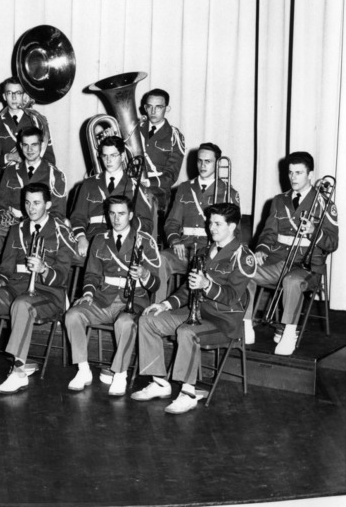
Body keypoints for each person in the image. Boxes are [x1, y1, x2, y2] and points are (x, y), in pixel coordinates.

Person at [131, 202, 255, 414]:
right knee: (148, 320)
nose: (211, 228)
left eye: (217, 224)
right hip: (196, 312)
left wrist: (207, 285)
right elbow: (189, 288)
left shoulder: (243, 257)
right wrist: (165, 304)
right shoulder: (206, 250)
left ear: (233, 226)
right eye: (210, 223)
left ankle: (188, 393)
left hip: (223, 321)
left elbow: (233, 297)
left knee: (187, 331)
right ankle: (160, 382)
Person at [0, 183, 80, 390]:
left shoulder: (60, 231)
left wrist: (44, 269)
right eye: (27, 203)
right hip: (15, 288)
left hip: (49, 294)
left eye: (37, 203)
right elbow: (6, 266)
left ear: (48, 204)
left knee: (22, 304)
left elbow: (63, 276)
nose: (31, 208)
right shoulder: (16, 229)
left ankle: (19, 372)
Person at [62, 195, 161, 396]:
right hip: (102, 299)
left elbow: (156, 284)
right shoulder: (99, 239)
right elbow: (91, 274)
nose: (116, 219)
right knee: (72, 315)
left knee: (124, 324)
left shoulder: (145, 241)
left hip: (133, 301)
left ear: (131, 215)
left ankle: (120, 374)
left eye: (122, 214)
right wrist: (88, 293)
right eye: (112, 213)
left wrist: (143, 274)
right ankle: (83, 370)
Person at [245, 151, 338, 355]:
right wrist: (261, 251)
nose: (293, 178)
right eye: (290, 173)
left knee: (292, 281)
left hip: (309, 265)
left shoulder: (325, 203)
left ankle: (289, 332)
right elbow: (267, 234)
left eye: (299, 173)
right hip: (278, 260)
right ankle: (246, 325)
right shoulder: (279, 200)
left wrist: (315, 232)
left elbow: (332, 243)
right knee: (245, 270)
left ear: (310, 175)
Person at [158, 143, 239, 299]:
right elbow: (172, 222)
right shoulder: (184, 188)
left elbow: (236, 231)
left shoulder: (229, 193)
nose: (202, 165)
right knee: (162, 259)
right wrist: (175, 241)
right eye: (199, 161)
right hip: (185, 248)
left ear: (217, 163)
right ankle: (159, 307)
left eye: (207, 161)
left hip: (211, 250)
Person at [68, 135, 154, 259]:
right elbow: (77, 217)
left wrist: (129, 226)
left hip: (123, 240)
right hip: (92, 238)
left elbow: (147, 224)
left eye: (113, 156)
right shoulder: (89, 184)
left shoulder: (134, 186)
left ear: (123, 156)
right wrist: (81, 237)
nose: (108, 161)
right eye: (105, 156)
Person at [0, 77, 55, 178]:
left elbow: (49, 158)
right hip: (6, 180)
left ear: (24, 96)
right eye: (9, 93)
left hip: (34, 179)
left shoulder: (38, 121)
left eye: (18, 93)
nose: (14, 97)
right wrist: (9, 157)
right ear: (4, 96)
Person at [0, 126, 67, 221]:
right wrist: (1, 213)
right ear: (20, 146)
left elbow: (58, 213)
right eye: (25, 145)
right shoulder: (10, 171)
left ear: (42, 145)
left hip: (42, 227)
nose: (29, 149)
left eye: (34, 145)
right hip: (12, 225)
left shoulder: (56, 175)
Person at [137, 88, 185, 213]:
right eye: (149, 106)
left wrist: (149, 182)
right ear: (145, 107)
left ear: (166, 109)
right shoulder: (134, 129)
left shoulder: (174, 136)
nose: (153, 111)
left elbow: (172, 174)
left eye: (158, 107)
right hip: (131, 184)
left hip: (158, 190)